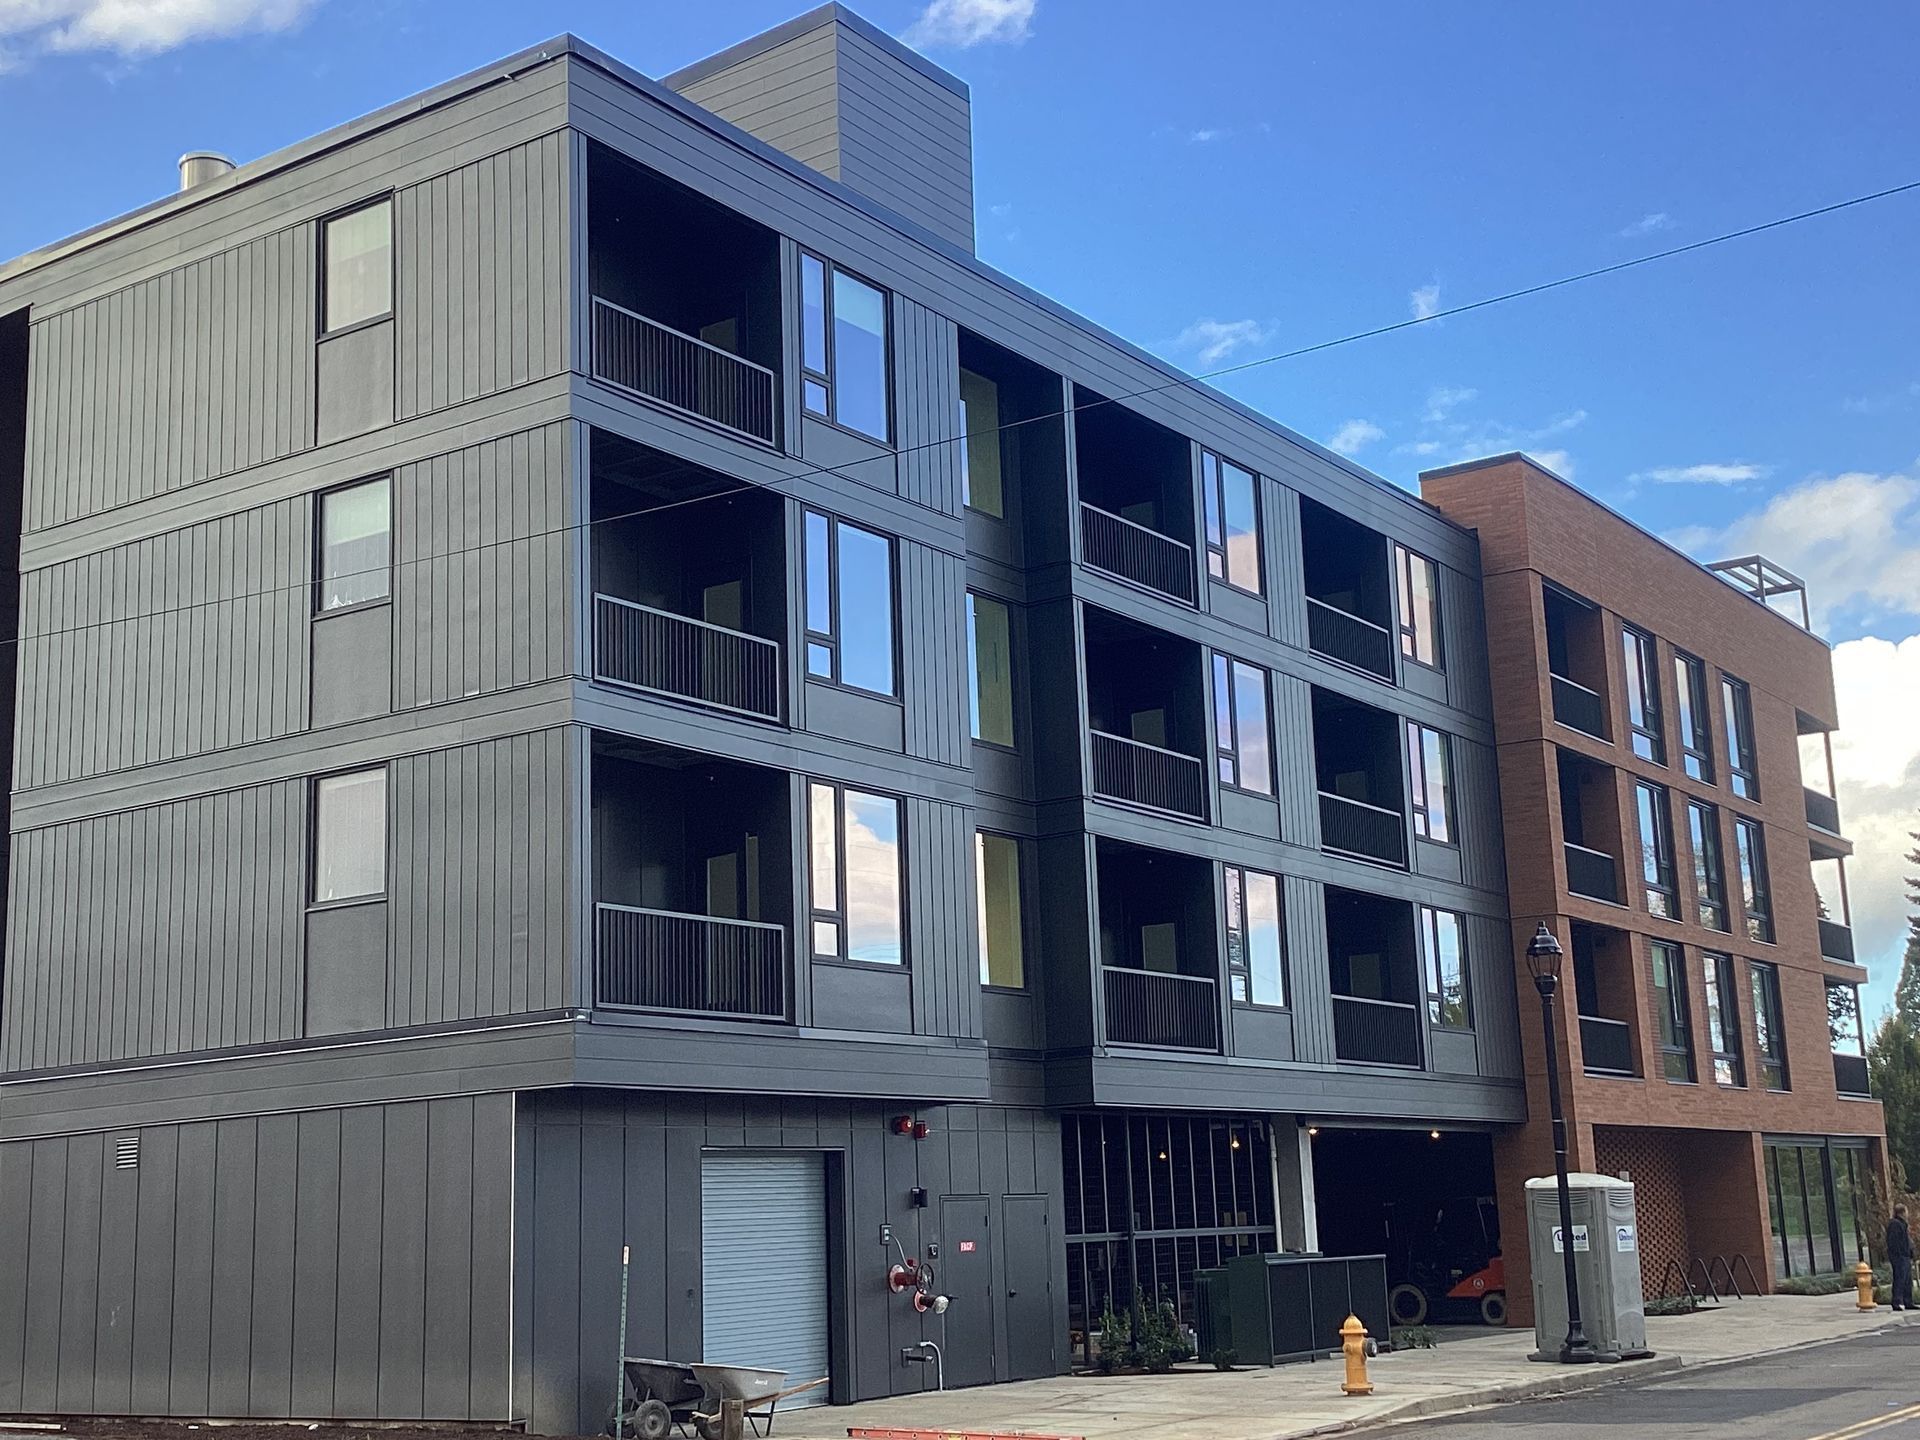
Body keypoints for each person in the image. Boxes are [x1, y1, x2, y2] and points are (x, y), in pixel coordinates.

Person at [1888, 1204, 1914, 1310]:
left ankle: (1908, 1301)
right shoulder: (1895, 1224)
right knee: (1899, 1278)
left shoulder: (1903, 1224)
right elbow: (1894, 1242)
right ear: (1902, 1213)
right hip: (1899, 1257)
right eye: (1906, 1212)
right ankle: (1896, 1301)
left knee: (1908, 1280)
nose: (1907, 1214)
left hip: (1905, 1256)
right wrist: (1900, 1253)